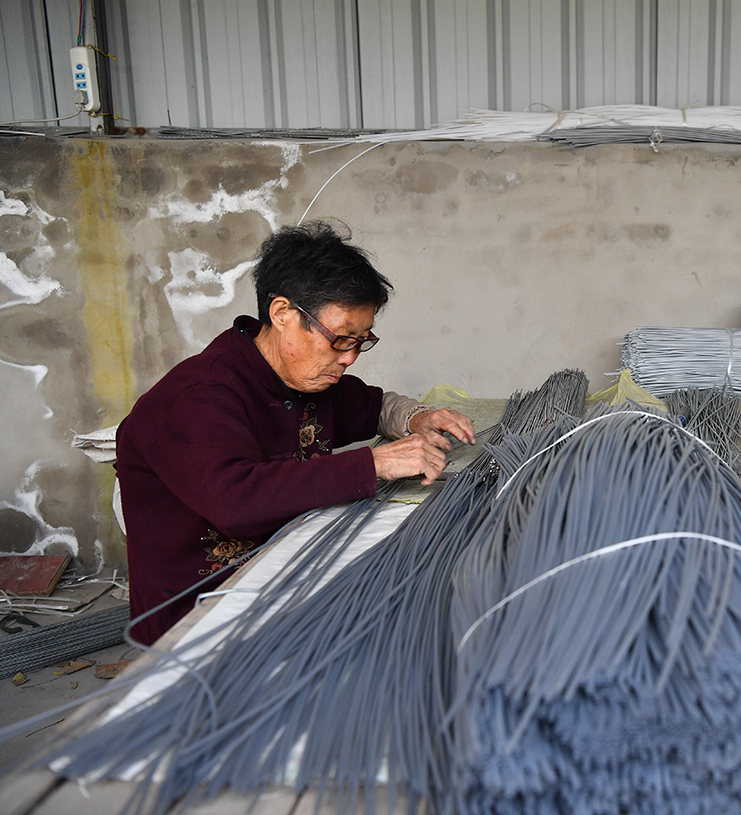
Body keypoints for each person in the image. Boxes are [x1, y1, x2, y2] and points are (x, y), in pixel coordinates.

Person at [116, 222, 476, 645]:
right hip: (198, 620)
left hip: (286, 581)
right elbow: (235, 501)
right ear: (282, 314)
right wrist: (374, 463)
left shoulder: (303, 378)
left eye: (362, 341)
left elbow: (372, 406)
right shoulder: (198, 396)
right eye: (340, 339)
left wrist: (416, 417)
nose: (350, 358)